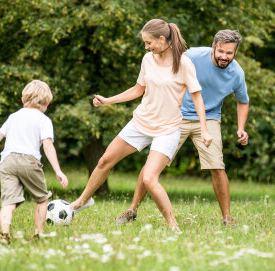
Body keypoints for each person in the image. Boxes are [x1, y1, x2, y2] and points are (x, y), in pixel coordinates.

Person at [70, 19, 212, 231]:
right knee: (104, 161)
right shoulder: (148, 59)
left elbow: (197, 98)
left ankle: (173, 226)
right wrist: (108, 100)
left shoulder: (183, 64)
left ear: (162, 39)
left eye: (149, 42)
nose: (146, 47)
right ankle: (82, 201)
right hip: (141, 122)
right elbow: (138, 90)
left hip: (167, 129)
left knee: (149, 178)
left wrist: (205, 129)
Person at [116, 29, 250, 226]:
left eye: (229, 53)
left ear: (235, 52)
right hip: (176, 115)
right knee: (151, 167)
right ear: (213, 47)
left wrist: (241, 127)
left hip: (209, 118)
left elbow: (243, 101)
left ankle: (227, 217)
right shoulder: (193, 56)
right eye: (221, 51)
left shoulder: (237, 73)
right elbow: (167, 64)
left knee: (217, 167)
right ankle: (132, 209)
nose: (224, 56)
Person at [0, 80, 68, 242]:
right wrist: (58, 170)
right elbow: (48, 146)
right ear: (48, 102)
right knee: (42, 199)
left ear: (23, 99)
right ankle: (38, 234)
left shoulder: (13, 117)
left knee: (8, 202)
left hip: (7, 161)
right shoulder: (43, 120)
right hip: (29, 161)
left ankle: (4, 233)